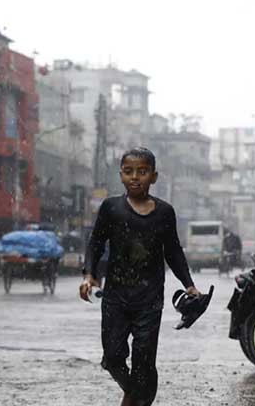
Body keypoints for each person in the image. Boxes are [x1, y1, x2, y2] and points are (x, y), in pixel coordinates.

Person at [79, 147, 200, 406]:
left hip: (150, 299)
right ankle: (138, 394)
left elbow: (174, 252)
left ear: (153, 177)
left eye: (142, 172)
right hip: (116, 297)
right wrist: (89, 275)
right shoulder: (111, 208)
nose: (135, 177)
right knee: (112, 358)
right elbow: (95, 243)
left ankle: (137, 396)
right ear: (121, 175)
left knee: (143, 361)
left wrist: (189, 285)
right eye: (129, 171)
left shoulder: (165, 212)